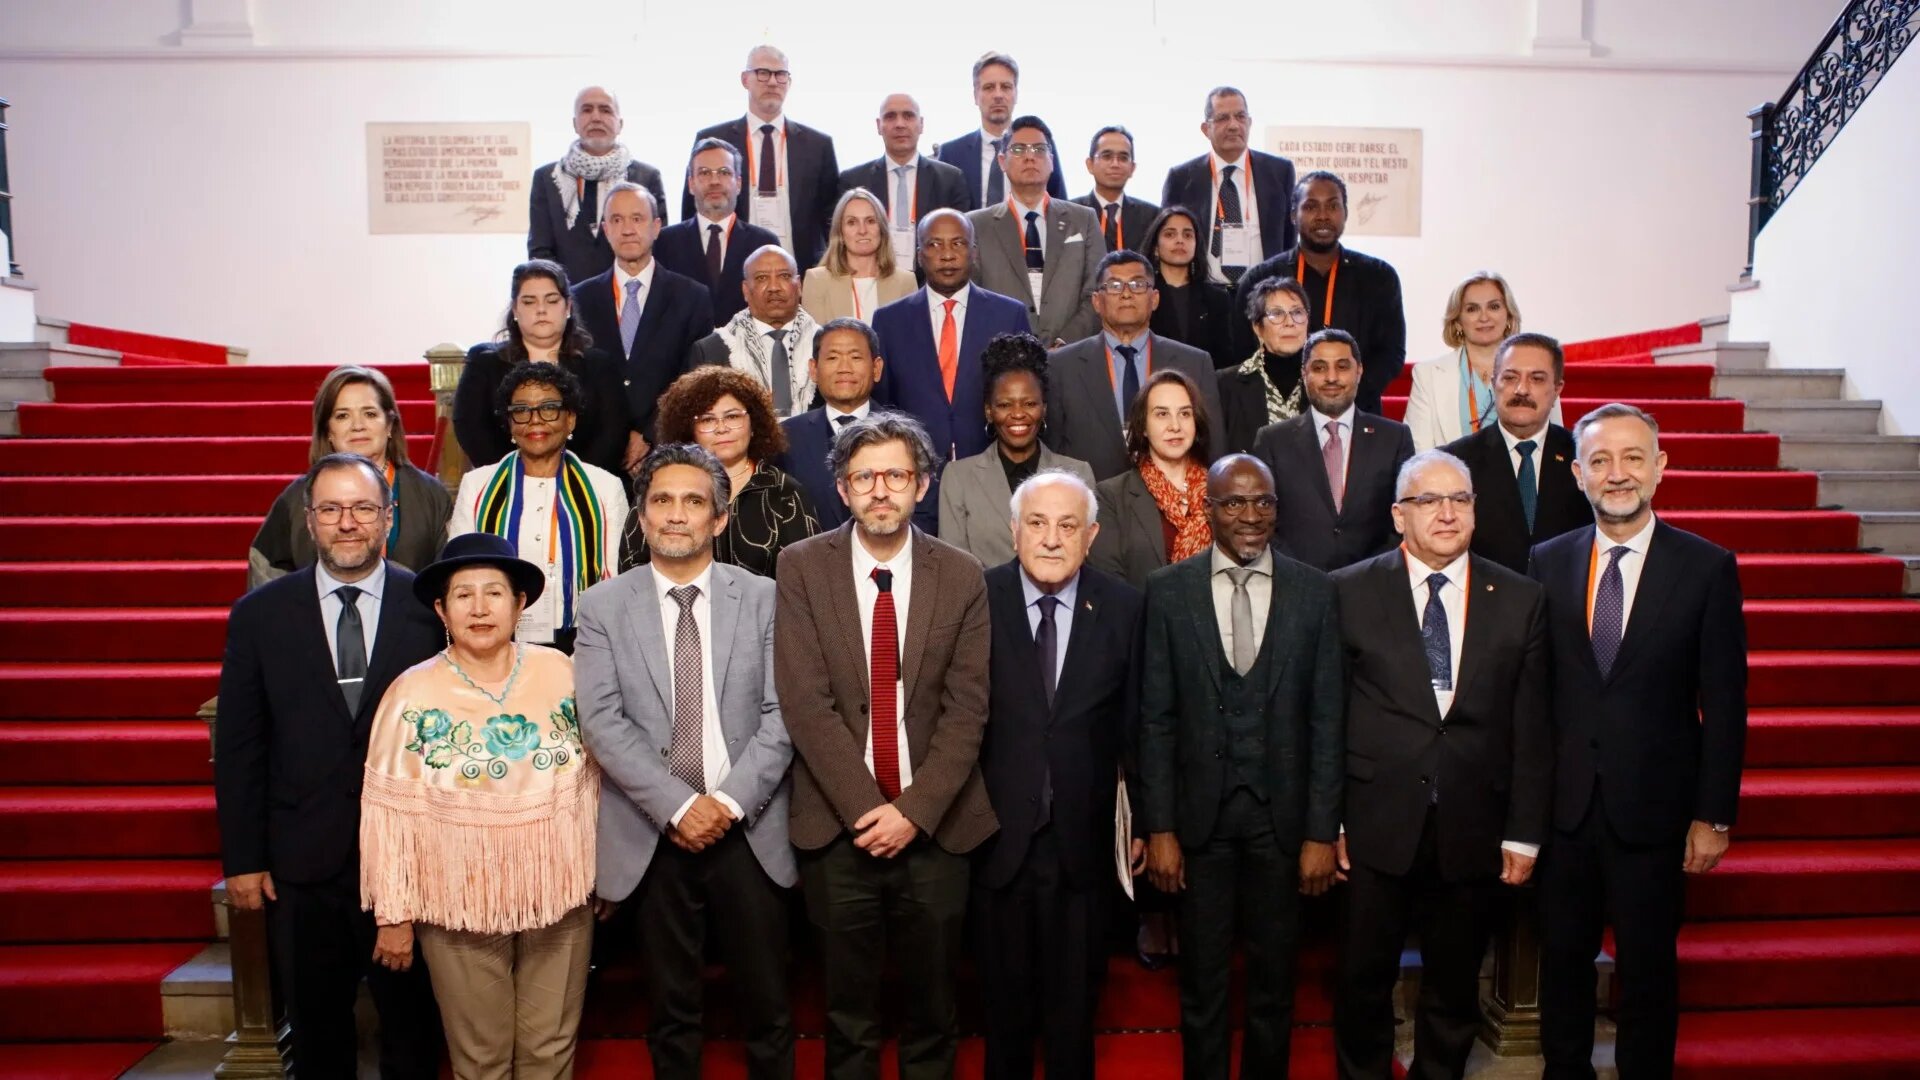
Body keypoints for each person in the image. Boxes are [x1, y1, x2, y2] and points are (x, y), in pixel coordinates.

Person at [774, 412, 994, 1080]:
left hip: (937, 826)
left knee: (933, 1013)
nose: (880, 490)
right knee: (849, 1017)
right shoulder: (802, 566)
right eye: (864, 477)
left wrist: (913, 813)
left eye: (896, 475)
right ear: (840, 489)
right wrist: (869, 811)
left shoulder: (960, 573)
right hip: (838, 828)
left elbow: (968, 711)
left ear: (921, 486)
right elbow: (805, 704)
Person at [1532, 403, 1748, 1080]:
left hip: (1656, 812)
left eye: (1631, 458)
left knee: (1649, 971)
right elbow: (1532, 695)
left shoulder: (1707, 568)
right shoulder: (1545, 561)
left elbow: (1727, 702)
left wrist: (1713, 815)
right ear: (1577, 475)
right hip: (1563, 812)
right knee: (1562, 966)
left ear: (1659, 468)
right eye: (1599, 460)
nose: (1616, 473)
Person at [216, 453, 444, 1078]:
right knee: (318, 1034)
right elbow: (240, 747)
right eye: (332, 510)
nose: (349, 523)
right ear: (309, 521)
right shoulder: (260, 616)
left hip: (408, 862)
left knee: (413, 1030)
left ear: (389, 518)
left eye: (365, 508)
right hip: (301, 861)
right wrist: (243, 859)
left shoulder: (431, 608)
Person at [576, 444, 798, 1080]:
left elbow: (784, 715)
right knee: (672, 1013)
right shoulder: (601, 607)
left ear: (719, 519)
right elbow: (602, 723)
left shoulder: (765, 598)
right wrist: (679, 806)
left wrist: (723, 805)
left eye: (694, 501)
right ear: (641, 517)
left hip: (748, 828)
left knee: (769, 1007)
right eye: (662, 501)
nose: (677, 515)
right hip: (653, 830)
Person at [1329, 449, 1552, 1080]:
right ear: (1400, 516)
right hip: (1372, 825)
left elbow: (1533, 728)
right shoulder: (1347, 590)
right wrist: (1330, 821)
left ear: (1476, 512)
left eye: (1460, 500)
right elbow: (1325, 717)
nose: (1446, 513)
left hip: (1474, 824)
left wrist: (1523, 830)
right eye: (1429, 501)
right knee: (1361, 981)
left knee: (1453, 988)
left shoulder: (1520, 597)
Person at [359, 532, 599, 1080]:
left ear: (520, 603)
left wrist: (602, 876)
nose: (480, 607)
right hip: (456, 905)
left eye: (495, 592)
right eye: (463, 595)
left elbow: (598, 780)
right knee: (481, 1058)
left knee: (550, 1049)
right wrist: (393, 915)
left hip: (560, 898)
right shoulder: (411, 693)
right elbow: (387, 817)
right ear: (442, 609)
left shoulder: (564, 673)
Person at [1137, 453, 1344, 1080]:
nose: (1250, 516)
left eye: (1263, 502)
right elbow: (1156, 719)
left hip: (1282, 828)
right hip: (1199, 826)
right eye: (1233, 503)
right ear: (1209, 510)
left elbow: (1327, 721)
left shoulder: (1316, 592)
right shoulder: (1168, 591)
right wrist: (1161, 828)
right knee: (1201, 987)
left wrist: (1318, 832)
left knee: (1274, 986)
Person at [976, 469, 1143, 1080]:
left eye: (1067, 526)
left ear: (1091, 535)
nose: (1051, 538)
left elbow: (1138, 724)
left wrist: (1145, 824)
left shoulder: (1124, 606)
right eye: (1038, 524)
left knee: (1075, 1022)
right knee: (1004, 1020)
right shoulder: (976, 596)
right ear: (1015, 531)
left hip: (1084, 845)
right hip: (995, 844)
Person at [448, 363, 628, 653]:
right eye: (521, 410)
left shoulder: (604, 487)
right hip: (496, 643)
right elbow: (460, 573)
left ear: (570, 419)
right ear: (510, 422)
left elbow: (617, 580)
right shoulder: (477, 486)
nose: (535, 420)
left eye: (549, 408)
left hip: (583, 642)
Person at [871, 209, 1033, 524]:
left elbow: (1025, 399)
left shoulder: (1008, 315)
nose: (946, 255)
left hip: (994, 478)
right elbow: (883, 405)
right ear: (919, 256)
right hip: (917, 483)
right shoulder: (889, 320)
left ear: (974, 252)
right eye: (934, 245)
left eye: (958, 244)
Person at [249, 365, 450, 590]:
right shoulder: (295, 498)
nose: (358, 426)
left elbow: (449, 580)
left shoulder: (431, 495)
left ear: (390, 424)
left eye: (370, 414)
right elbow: (266, 582)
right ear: (328, 431)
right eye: (343, 416)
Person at [1232, 172, 1408, 413]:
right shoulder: (1260, 278)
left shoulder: (1379, 277)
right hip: (1278, 414)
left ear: (1345, 213)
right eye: (1311, 206)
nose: (1323, 216)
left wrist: (1342, 393)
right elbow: (1242, 349)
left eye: (1333, 206)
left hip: (1356, 411)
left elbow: (1391, 353)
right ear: (1294, 214)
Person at [570, 182, 716, 471]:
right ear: (605, 228)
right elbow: (577, 377)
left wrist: (650, 434)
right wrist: (616, 436)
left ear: (656, 226)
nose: (627, 229)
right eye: (616, 220)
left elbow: (694, 378)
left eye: (637, 219)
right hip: (595, 456)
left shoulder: (692, 296)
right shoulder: (579, 299)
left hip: (670, 452)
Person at [623, 365, 818, 578]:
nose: (722, 428)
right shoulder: (659, 486)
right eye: (707, 420)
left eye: (733, 417)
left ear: (753, 424)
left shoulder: (785, 493)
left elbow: (808, 577)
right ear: (689, 429)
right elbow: (632, 568)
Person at [1046, 249, 1224, 481]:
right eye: (1115, 286)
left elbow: (1213, 448)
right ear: (1097, 302)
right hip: (1089, 501)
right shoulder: (1061, 366)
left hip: (1175, 505)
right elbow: (1051, 453)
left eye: (1138, 285)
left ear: (1155, 299)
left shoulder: (1194, 363)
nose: (1127, 294)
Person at [1254, 329, 1415, 571]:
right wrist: (1300, 575)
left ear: (1358, 371)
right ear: (1304, 374)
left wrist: (1368, 572)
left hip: (1374, 582)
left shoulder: (1395, 437)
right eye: (1319, 368)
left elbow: (1406, 516)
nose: (1331, 377)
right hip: (1295, 582)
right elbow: (1262, 519)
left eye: (1342, 367)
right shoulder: (1272, 440)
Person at [454, 259, 630, 478]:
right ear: (515, 310)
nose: (541, 310)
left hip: (585, 485)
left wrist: (568, 479)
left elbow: (613, 433)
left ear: (567, 307)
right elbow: (471, 428)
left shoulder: (599, 364)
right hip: (505, 483)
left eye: (551, 300)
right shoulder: (484, 361)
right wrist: (520, 477)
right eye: (529, 302)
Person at [937, 333, 1095, 567]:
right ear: (989, 411)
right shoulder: (958, 477)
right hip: (986, 602)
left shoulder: (1078, 474)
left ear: (1044, 409)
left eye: (1029, 403)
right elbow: (956, 569)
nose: (1018, 414)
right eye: (1004, 405)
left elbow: (1084, 559)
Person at [1441, 332, 1589, 573]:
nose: (1522, 390)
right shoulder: (1454, 461)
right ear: (1493, 383)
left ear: (1557, 388)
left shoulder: (1584, 456)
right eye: (1510, 378)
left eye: (1537, 379)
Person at [684, 45, 840, 271]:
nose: (773, 82)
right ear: (745, 79)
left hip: (801, 274)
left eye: (780, 74)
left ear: (789, 82)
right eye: (763, 73)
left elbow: (830, 220)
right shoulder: (713, 139)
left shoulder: (818, 146)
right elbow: (692, 211)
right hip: (731, 273)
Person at [966, 115, 1105, 348]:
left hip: (1072, 354)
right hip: (1002, 358)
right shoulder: (976, 225)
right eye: (1019, 149)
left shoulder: (1084, 219)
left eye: (1039, 149)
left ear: (1052, 160)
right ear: (1002, 161)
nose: (1030, 156)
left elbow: (1097, 290)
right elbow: (973, 296)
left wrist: (1066, 342)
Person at [528, 86, 668, 286]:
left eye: (605, 110)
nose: (596, 117)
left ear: (620, 124)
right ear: (575, 124)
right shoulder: (547, 178)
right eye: (586, 110)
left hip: (629, 298)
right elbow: (540, 254)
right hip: (568, 302)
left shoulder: (646, 177)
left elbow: (658, 245)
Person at [1090, 370, 1215, 590]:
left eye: (1185, 414)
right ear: (1143, 427)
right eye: (1161, 414)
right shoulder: (1111, 496)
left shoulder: (1221, 489)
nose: (1175, 426)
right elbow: (1109, 585)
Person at [1407, 272, 1559, 451]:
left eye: (1494, 307)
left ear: (1508, 316)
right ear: (1457, 322)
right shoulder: (1427, 375)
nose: (1484, 317)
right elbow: (1418, 455)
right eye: (1472, 309)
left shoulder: (1540, 368)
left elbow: (1555, 444)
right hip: (1452, 476)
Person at [1160, 87, 1296, 287]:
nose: (1233, 125)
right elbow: (1167, 239)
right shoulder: (1181, 178)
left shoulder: (1279, 171)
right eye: (1223, 118)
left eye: (1240, 117)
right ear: (1206, 129)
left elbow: (1289, 238)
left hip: (1262, 293)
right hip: (1203, 294)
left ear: (1249, 123)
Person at [656, 139, 783, 328]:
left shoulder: (764, 244)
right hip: (682, 355)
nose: (714, 181)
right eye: (704, 173)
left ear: (738, 183)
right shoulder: (664, 242)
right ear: (691, 184)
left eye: (724, 173)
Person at [688, 245, 821, 418]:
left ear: (799, 285)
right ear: (745, 290)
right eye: (762, 278)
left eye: (784, 276)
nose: (774, 287)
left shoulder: (825, 343)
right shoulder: (711, 350)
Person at [777, 318, 884, 532]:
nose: (844, 368)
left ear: (876, 368)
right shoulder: (786, 437)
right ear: (814, 369)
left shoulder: (904, 435)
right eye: (833, 357)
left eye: (855, 357)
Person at [839, 94, 969, 268]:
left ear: (921, 124)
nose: (900, 124)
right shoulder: (853, 180)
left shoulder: (950, 179)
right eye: (890, 116)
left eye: (908, 116)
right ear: (879, 126)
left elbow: (963, 239)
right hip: (872, 279)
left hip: (932, 282)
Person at [934, 51, 1067, 211]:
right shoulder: (951, 154)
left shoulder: (1040, 144)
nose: (998, 95)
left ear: (1015, 94)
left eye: (1005, 87)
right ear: (976, 95)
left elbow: (1061, 207)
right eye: (989, 87)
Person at [1217, 276, 1310, 455]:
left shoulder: (1324, 381)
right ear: (1258, 328)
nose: (1289, 322)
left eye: (1297, 312)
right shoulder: (1225, 384)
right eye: (1277, 313)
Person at [800, 187, 918, 324]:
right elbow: (816, 342)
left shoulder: (905, 282)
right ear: (840, 232)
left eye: (870, 221)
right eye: (852, 222)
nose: (862, 231)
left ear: (882, 228)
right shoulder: (817, 280)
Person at [1145, 205, 1237, 368]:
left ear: (1196, 244)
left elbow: (1225, 360)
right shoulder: (1144, 295)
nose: (1180, 240)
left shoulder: (1217, 298)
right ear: (1156, 248)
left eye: (1187, 235)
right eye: (1170, 234)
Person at [1073, 125, 1159, 256]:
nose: (1115, 164)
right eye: (1107, 156)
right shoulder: (1069, 212)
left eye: (1123, 158)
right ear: (1090, 164)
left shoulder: (1152, 216)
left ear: (1132, 168)